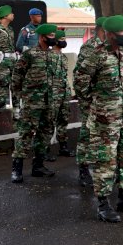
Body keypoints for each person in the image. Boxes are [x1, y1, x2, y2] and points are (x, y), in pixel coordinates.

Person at [74, 15, 123, 222]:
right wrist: (95, 107)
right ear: (109, 34)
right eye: (120, 33)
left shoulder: (122, 54)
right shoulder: (95, 55)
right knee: (105, 161)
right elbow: (80, 84)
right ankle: (103, 204)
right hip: (103, 120)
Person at [10, 23, 59, 183]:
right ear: (42, 37)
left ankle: (38, 166)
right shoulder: (30, 54)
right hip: (32, 102)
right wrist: (19, 97)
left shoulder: (54, 56)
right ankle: (16, 169)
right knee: (25, 134)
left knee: (45, 134)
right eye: (51, 36)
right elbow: (17, 77)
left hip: (49, 102)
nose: (54, 38)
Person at [75, 16, 107, 187]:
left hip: (107, 102)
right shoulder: (90, 47)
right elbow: (81, 76)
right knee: (87, 134)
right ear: (103, 30)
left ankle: (102, 168)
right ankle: (83, 168)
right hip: (92, 101)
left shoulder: (110, 48)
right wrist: (87, 99)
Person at [48, 29, 74, 158]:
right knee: (49, 121)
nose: (64, 41)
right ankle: (45, 150)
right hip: (52, 94)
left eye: (65, 39)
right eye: (62, 39)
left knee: (63, 120)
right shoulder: (48, 56)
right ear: (56, 41)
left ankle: (63, 146)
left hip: (64, 93)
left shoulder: (63, 57)